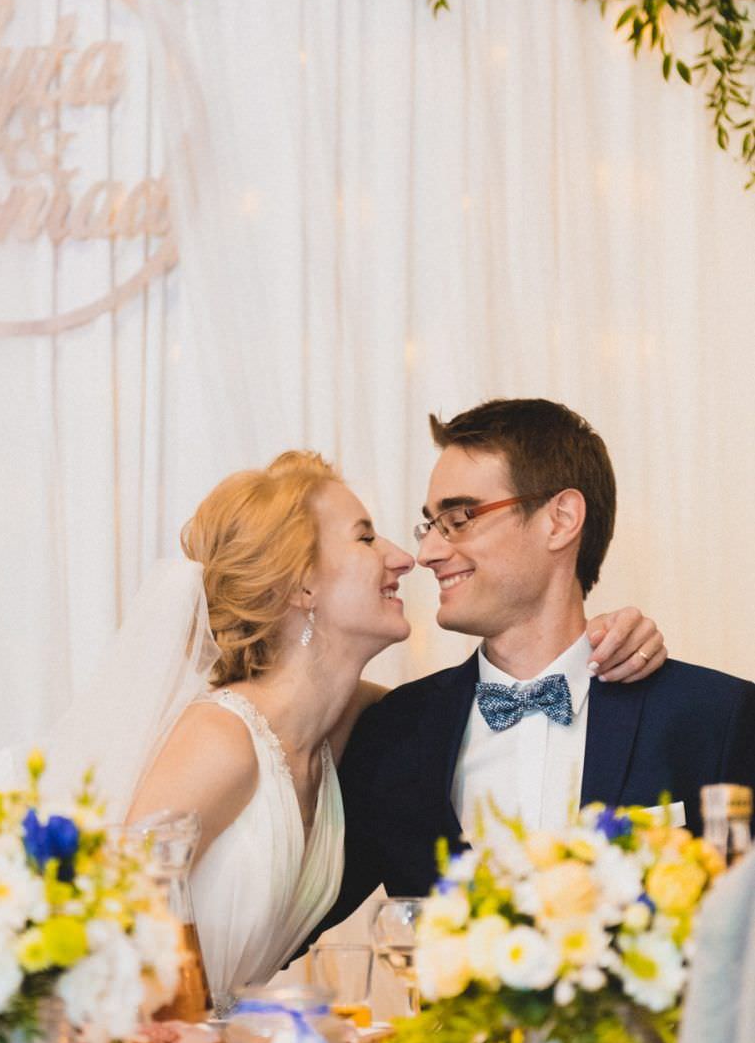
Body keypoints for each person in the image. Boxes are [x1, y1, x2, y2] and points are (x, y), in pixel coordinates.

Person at [57, 448, 666, 1010]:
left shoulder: (366, 726)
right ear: (301, 583)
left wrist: (613, 642)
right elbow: (101, 933)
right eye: (366, 536)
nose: (407, 556)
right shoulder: (220, 739)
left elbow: (496, 688)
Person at [319, 399, 755, 935]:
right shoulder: (397, 732)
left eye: (459, 519)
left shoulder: (713, 716)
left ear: (560, 520)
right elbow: (290, 922)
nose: (429, 552)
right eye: (428, 525)